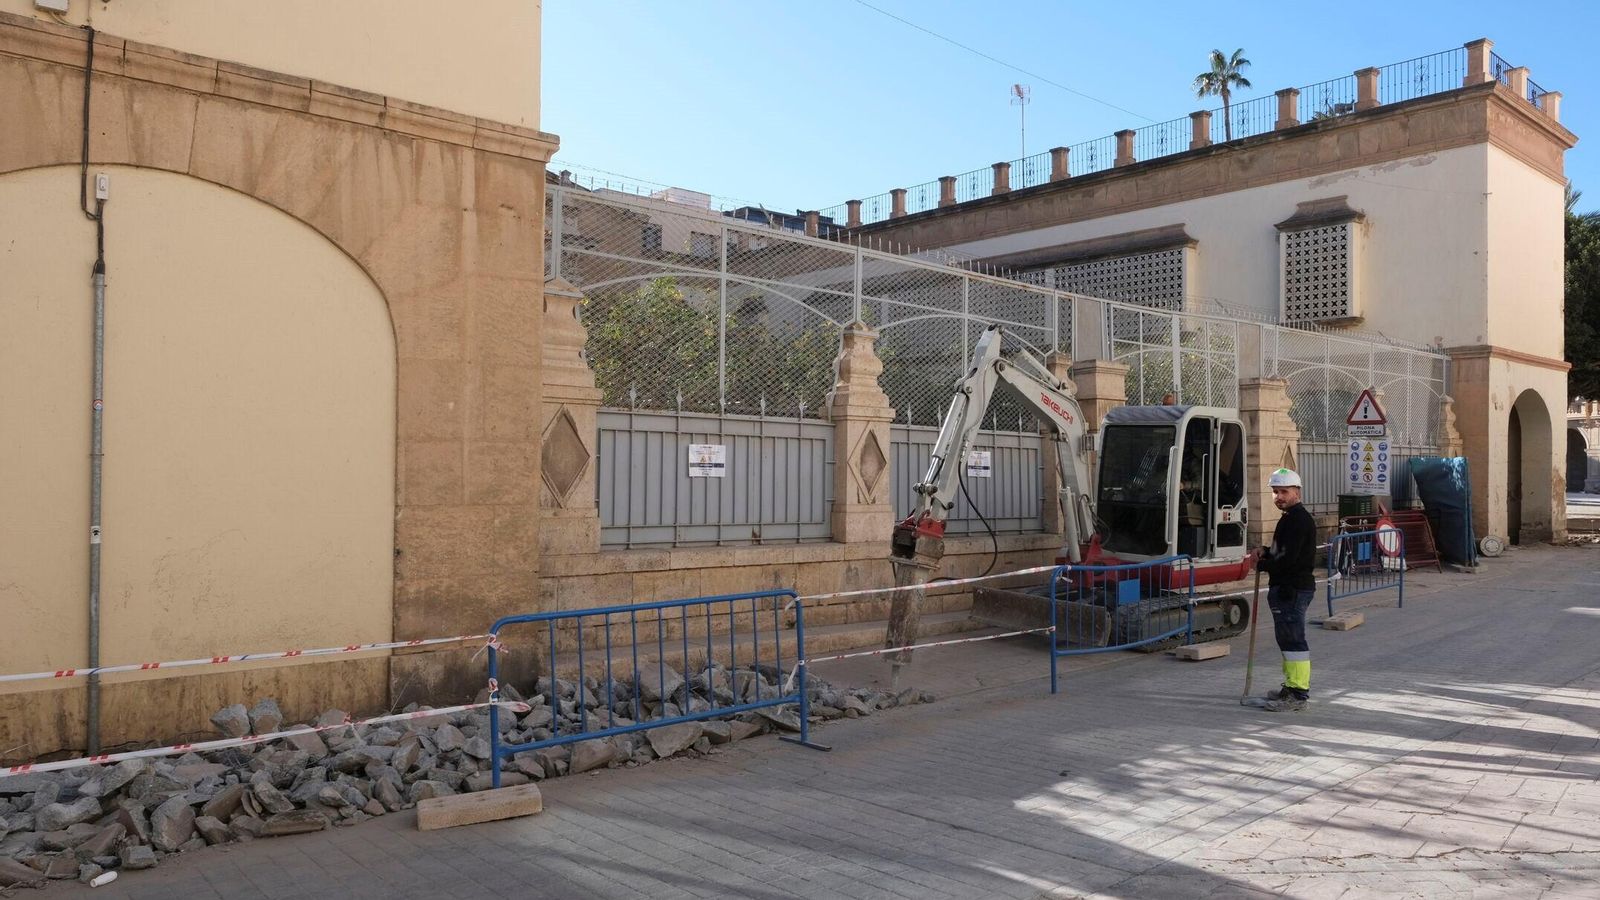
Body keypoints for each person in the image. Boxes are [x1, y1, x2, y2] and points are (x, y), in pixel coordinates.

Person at [1254, 468, 1316, 712]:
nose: (1278, 496)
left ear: (1296, 492)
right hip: (1288, 587)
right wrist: (1267, 551)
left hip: (1292, 588)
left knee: (1293, 641)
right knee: (1287, 640)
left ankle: (1298, 693)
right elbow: (1284, 552)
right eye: (1275, 492)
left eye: (1283, 491)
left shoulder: (1298, 520)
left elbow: (1289, 561)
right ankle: (1291, 687)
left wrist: (1264, 564)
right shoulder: (1290, 517)